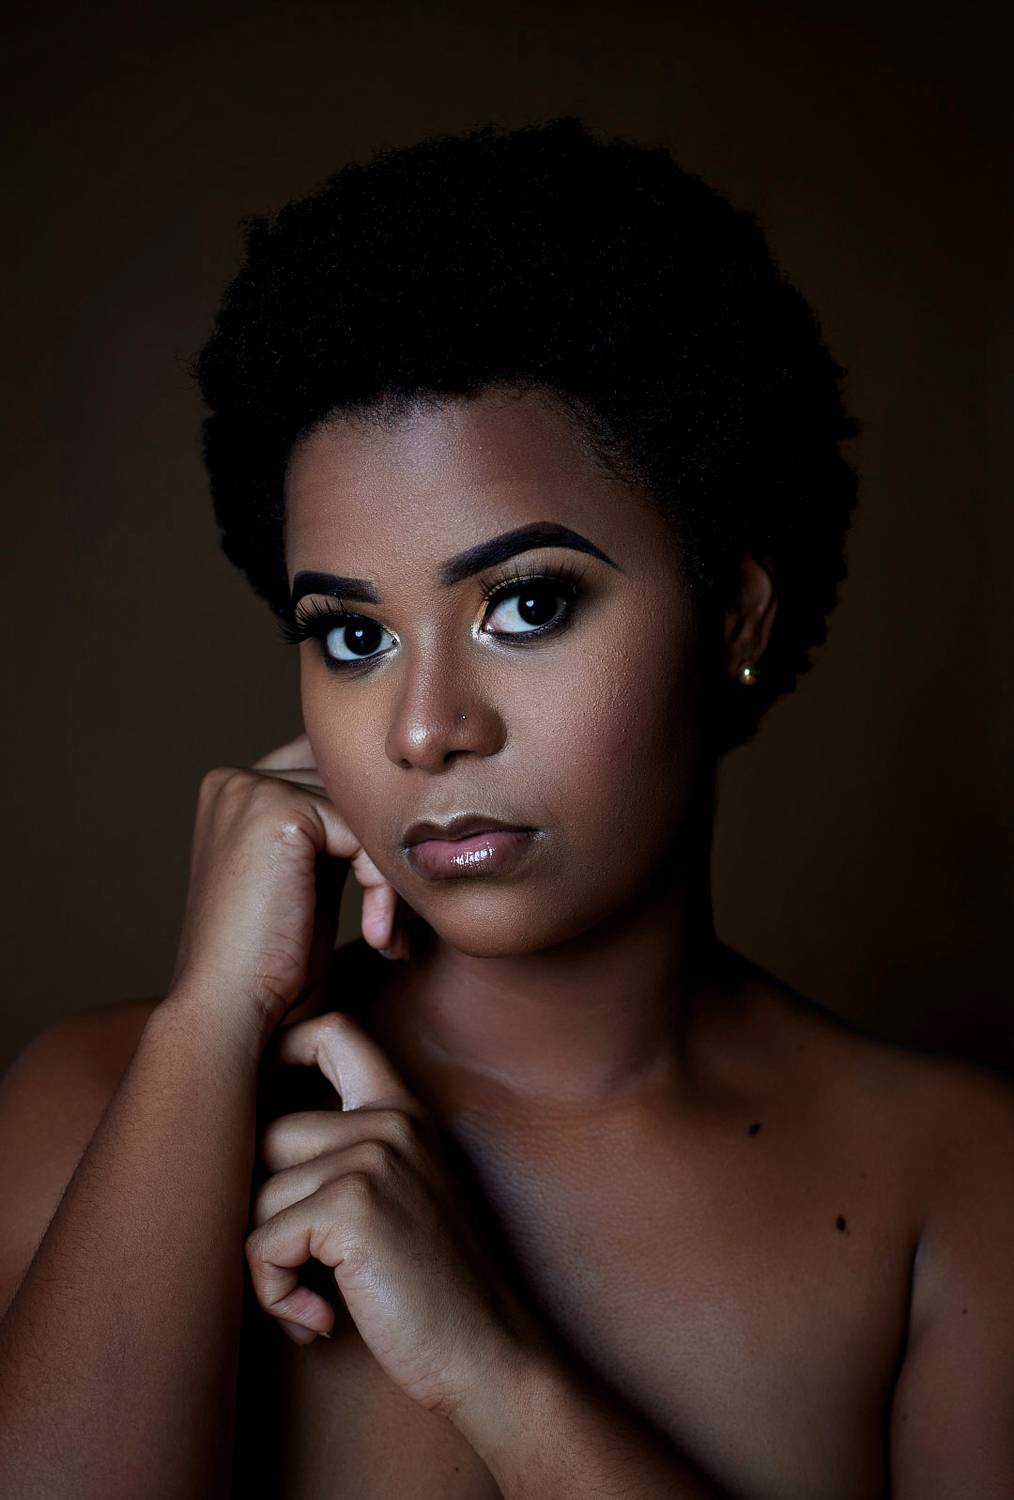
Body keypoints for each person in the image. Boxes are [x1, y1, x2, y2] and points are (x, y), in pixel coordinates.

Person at [1, 115, 1011, 1500]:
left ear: (733, 614)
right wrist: (208, 1032)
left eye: (526, 606)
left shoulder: (956, 1184)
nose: (425, 729)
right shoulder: (99, 1106)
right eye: (352, 636)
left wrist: (494, 1372)